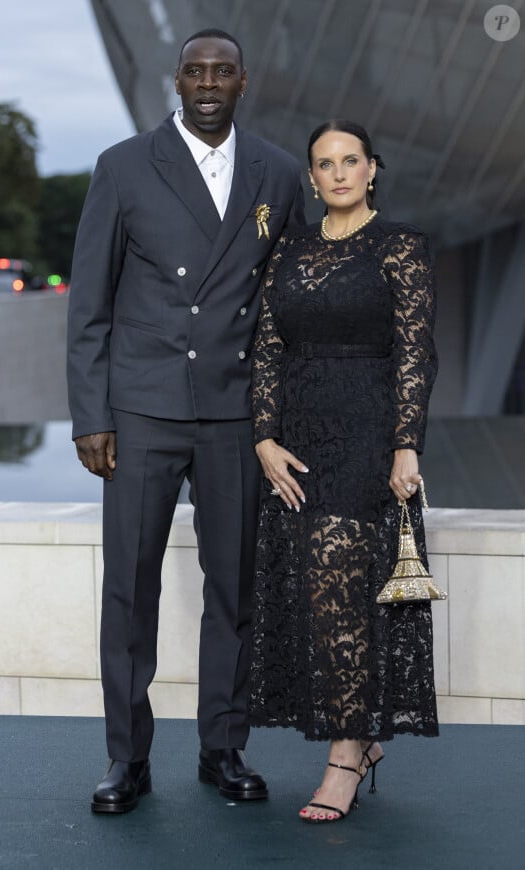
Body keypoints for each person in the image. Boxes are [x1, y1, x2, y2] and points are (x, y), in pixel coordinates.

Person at [67, 29, 305, 814]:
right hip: (141, 409)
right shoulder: (124, 166)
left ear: (244, 81)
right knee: (129, 591)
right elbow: (89, 306)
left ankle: (222, 746)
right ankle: (125, 759)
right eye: (196, 71)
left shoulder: (276, 170)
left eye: (223, 72)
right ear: (177, 80)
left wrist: (279, 417)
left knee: (234, 587)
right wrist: (91, 414)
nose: (208, 83)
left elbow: (286, 309)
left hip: (236, 414)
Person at [249, 118, 438, 824]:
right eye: (324, 164)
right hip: (298, 439)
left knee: (341, 580)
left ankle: (347, 751)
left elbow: (417, 351)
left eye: (350, 161)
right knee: (313, 588)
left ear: (373, 169)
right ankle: (358, 730)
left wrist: (406, 444)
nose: (338, 174)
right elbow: (267, 344)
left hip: (368, 433)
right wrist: (264, 437)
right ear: (311, 176)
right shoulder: (290, 245)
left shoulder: (401, 247)